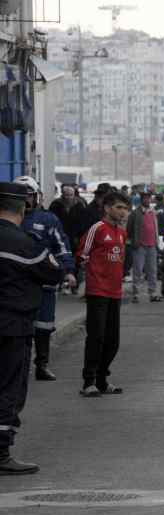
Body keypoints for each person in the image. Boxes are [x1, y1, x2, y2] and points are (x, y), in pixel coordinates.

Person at [0, 182, 65, 474]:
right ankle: (1, 452)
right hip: (12, 327)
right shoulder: (24, 243)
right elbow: (53, 270)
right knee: (8, 388)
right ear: (23, 207)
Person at [16, 176, 77, 381]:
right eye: (21, 196)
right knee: (17, 327)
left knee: (44, 325)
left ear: (37, 197)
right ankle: (18, 367)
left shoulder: (48, 219)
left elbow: (61, 246)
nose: (25, 200)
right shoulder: (8, 219)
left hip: (44, 283)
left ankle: (42, 365)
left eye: (29, 195)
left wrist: (68, 271)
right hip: (17, 284)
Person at [77, 192, 130, 397]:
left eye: (125, 208)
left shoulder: (122, 233)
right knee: (96, 337)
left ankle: (102, 380)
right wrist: (92, 276)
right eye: (119, 207)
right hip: (98, 291)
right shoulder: (97, 229)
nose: (123, 212)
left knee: (112, 341)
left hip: (115, 292)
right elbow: (82, 254)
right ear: (107, 208)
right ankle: (88, 382)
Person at [126, 191, 161, 303]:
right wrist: (134, 241)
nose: (147, 200)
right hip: (139, 246)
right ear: (141, 200)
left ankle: (153, 293)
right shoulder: (135, 213)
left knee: (152, 270)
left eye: (148, 198)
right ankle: (136, 294)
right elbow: (129, 229)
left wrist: (156, 242)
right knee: (138, 270)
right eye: (145, 198)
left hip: (152, 245)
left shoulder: (153, 212)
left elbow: (155, 228)